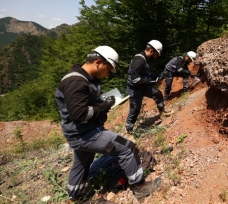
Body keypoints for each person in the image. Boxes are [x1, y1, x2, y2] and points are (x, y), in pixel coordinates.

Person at [55, 46, 161, 202]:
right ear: (98, 62)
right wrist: (104, 106)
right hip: (86, 133)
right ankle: (139, 187)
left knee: (81, 163)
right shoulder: (76, 82)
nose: (108, 74)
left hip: (78, 133)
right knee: (127, 147)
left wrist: (101, 102)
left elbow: (83, 104)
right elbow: (79, 114)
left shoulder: (82, 79)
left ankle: (74, 196)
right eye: (108, 69)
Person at [125, 40, 171, 133]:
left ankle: (162, 113)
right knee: (135, 110)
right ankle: (129, 130)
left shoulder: (146, 60)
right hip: (135, 89)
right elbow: (135, 79)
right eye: (156, 54)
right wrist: (152, 82)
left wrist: (158, 75)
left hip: (143, 86)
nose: (156, 57)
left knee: (157, 94)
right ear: (151, 51)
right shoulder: (139, 60)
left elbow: (146, 75)